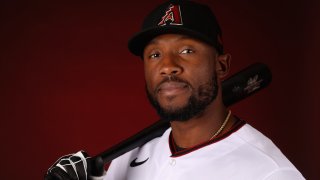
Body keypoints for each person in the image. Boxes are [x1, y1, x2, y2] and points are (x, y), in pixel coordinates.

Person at [45, 0, 305, 179]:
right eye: (155, 54)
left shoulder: (269, 173)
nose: (168, 66)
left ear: (222, 66)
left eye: (186, 51)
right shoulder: (128, 160)